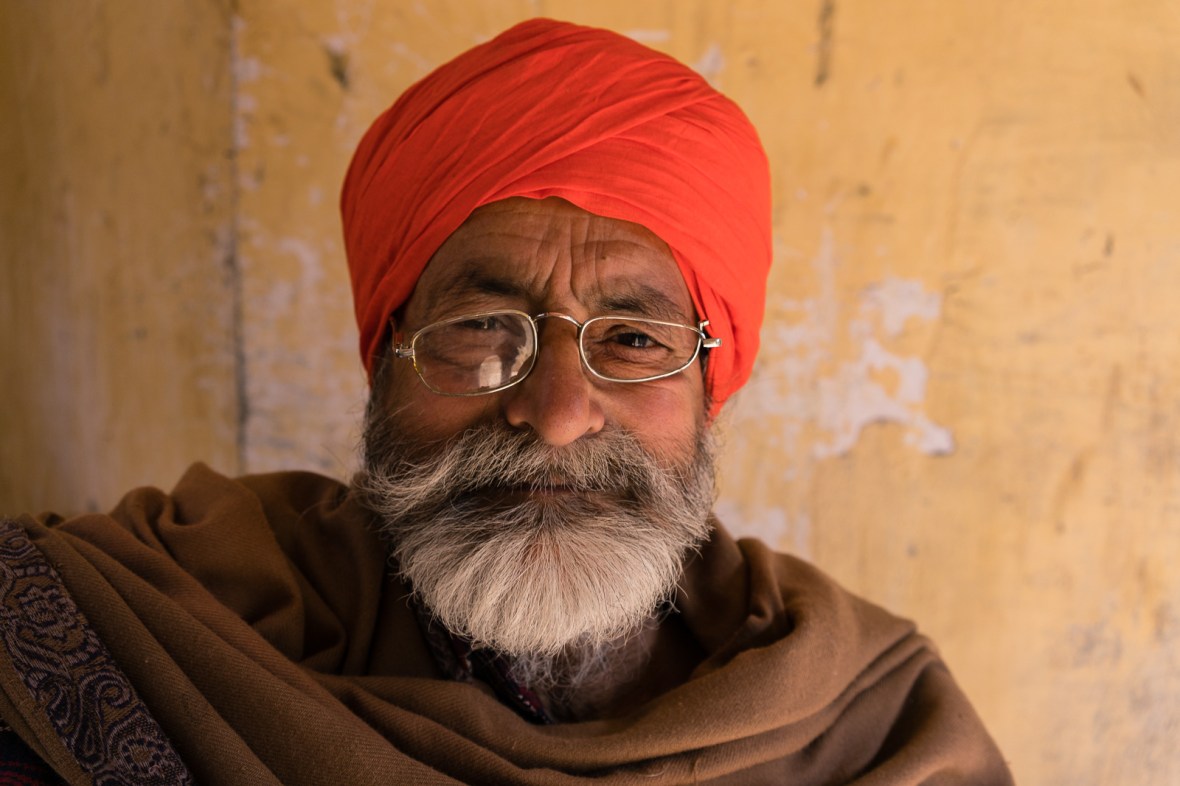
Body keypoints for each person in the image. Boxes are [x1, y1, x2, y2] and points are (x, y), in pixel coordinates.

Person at [0, 19, 1013, 785]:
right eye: (484, 328)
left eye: (632, 339)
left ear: (715, 392)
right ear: (386, 361)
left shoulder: (871, 726)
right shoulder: (178, 617)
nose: (558, 411)